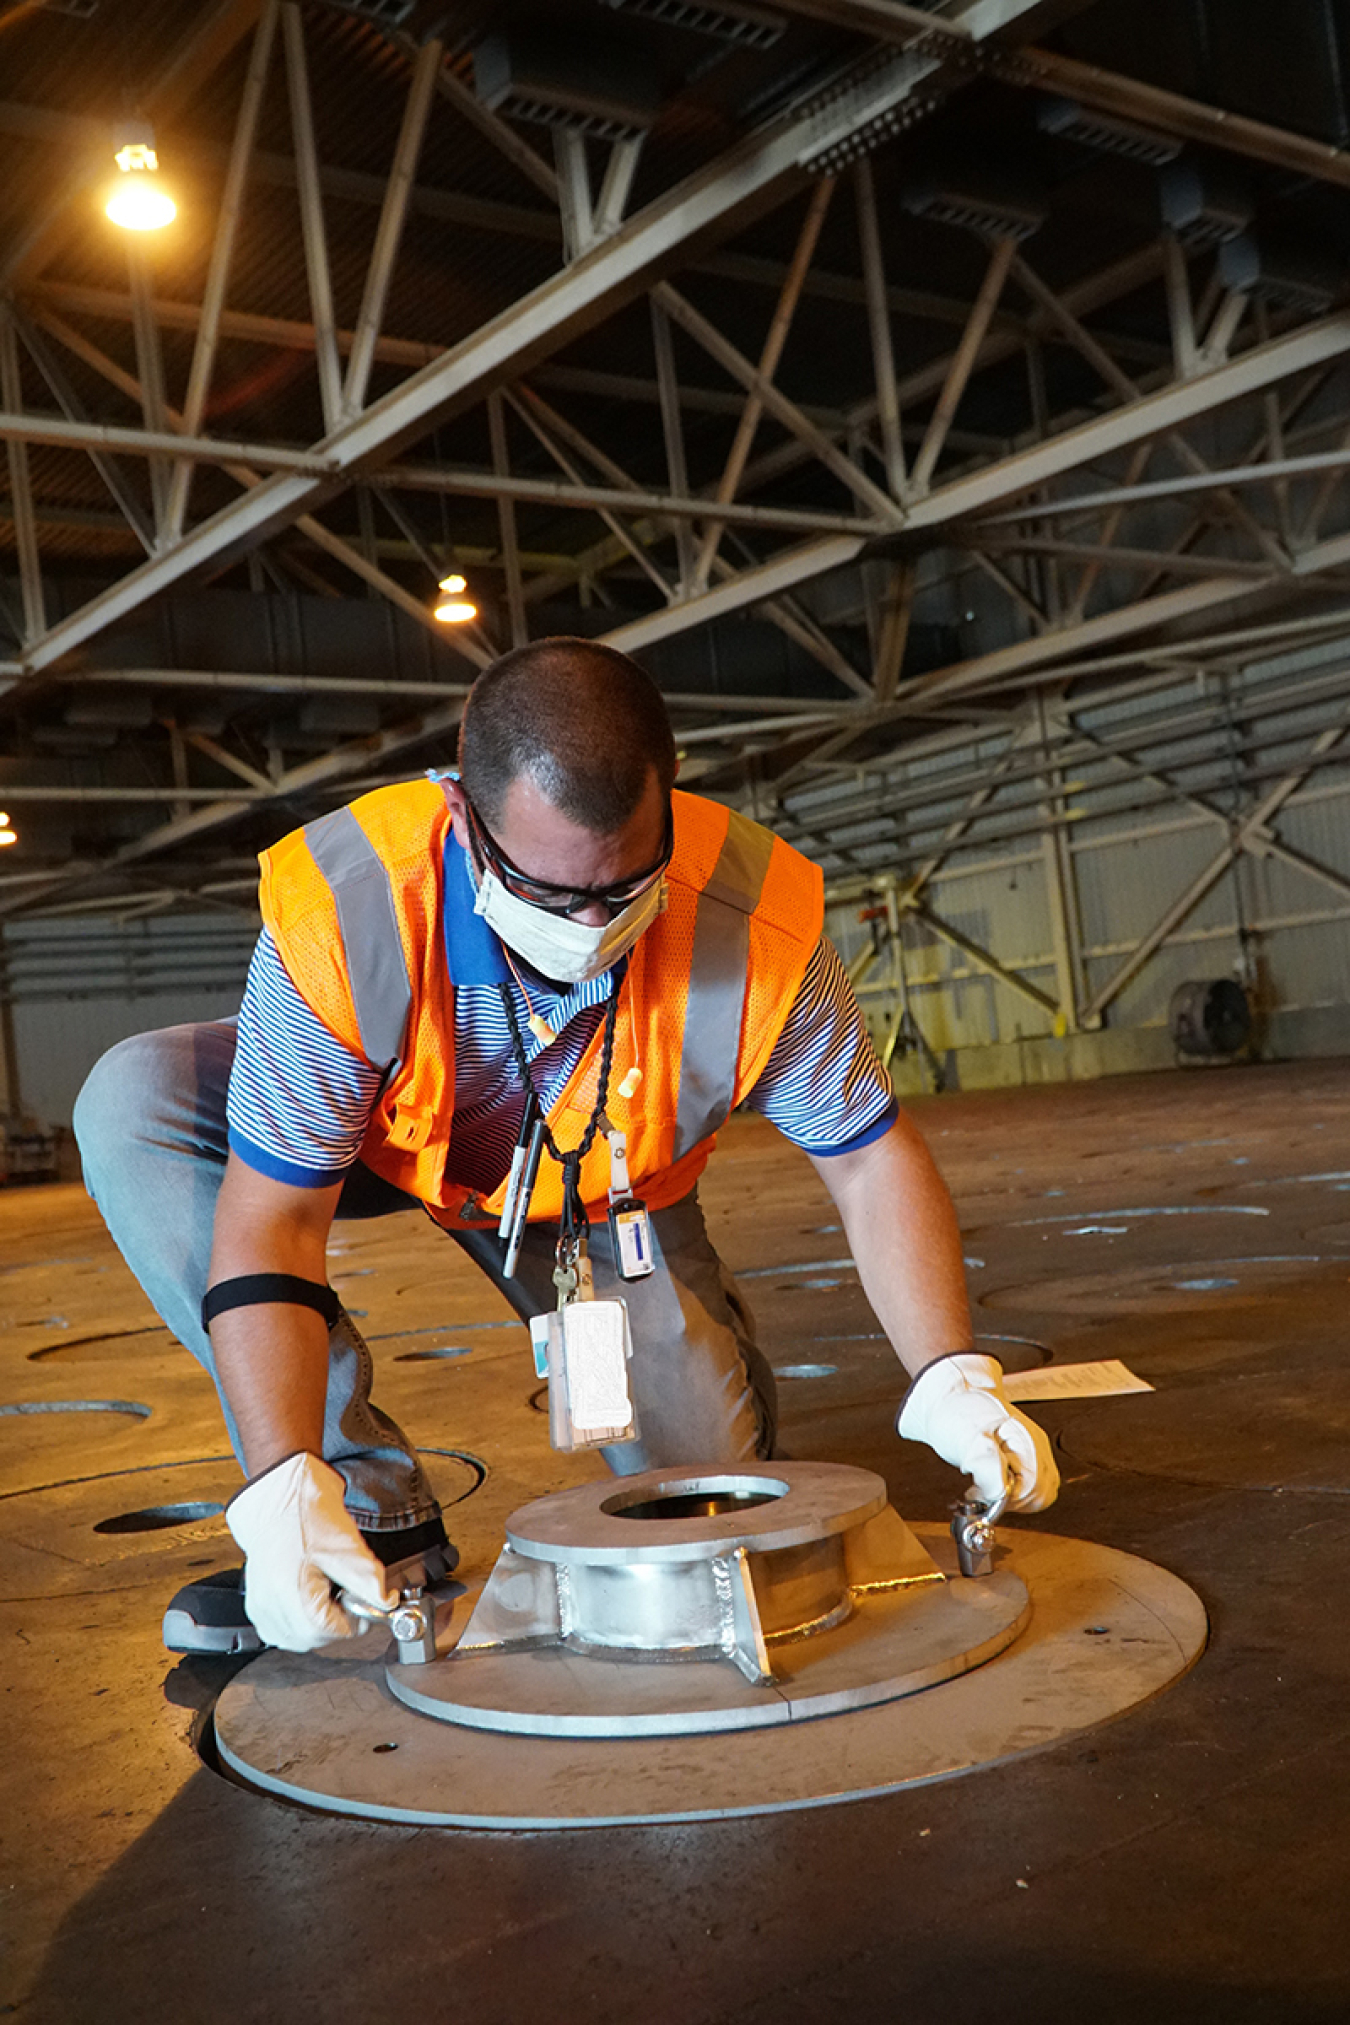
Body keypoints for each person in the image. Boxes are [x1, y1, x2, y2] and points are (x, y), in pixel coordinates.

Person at [73, 637, 1057, 1657]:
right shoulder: (349, 909)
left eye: (625, 888)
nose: (590, 926)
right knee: (133, 1100)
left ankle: (689, 1435)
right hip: (382, 1139)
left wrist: (949, 1369)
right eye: (550, 894)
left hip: (608, 1199)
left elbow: (865, 1155)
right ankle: (364, 1517)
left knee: (711, 1521)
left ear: (669, 805)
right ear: (465, 816)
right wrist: (278, 1474)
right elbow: (273, 1220)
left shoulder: (753, 914)